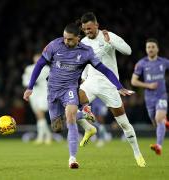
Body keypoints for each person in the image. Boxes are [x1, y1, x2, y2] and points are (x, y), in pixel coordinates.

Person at [23, 23, 131, 169]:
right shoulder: (55, 45)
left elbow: (104, 69)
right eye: (65, 38)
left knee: (70, 118)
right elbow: (40, 64)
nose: (66, 41)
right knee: (57, 127)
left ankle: (72, 159)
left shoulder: (86, 52)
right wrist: (30, 87)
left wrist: (119, 86)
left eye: (70, 39)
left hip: (70, 89)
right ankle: (84, 116)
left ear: (78, 38)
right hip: (53, 90)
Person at [76, 12, 146, 167]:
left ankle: (137, 153)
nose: (88, 32)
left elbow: (128, 51)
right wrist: (84, 76)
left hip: (109, 84)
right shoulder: (83, 42)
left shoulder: (108, 36)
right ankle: (89, 129)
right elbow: (87, 62)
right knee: (71, 104)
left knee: (124, 124)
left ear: (97, 25)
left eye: (90, 28)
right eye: (85, 29)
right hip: (91, 82)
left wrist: (111, 43)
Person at [131, 38, 169, 155]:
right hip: (149, 98)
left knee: (159, 119)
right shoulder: (142, 64)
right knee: (155, 122)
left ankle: (158, 146)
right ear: (146, 49)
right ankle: (165, 122)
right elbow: (133, 81)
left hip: (162, 95)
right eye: (148, 47)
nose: (151, 49)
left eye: (153, 47)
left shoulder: (164, 62)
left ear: (157, 49)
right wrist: (148, 85)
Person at [22, 53, 52, 145]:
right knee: (38, 116)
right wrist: (30, 83)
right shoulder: (29, 68)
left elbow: (51, 80)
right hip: (33, 94)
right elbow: (25, 80)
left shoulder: (47, 69)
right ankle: (46, 135)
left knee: (40, 113)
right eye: (36, 58)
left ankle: (41, 136)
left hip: (44, 93)